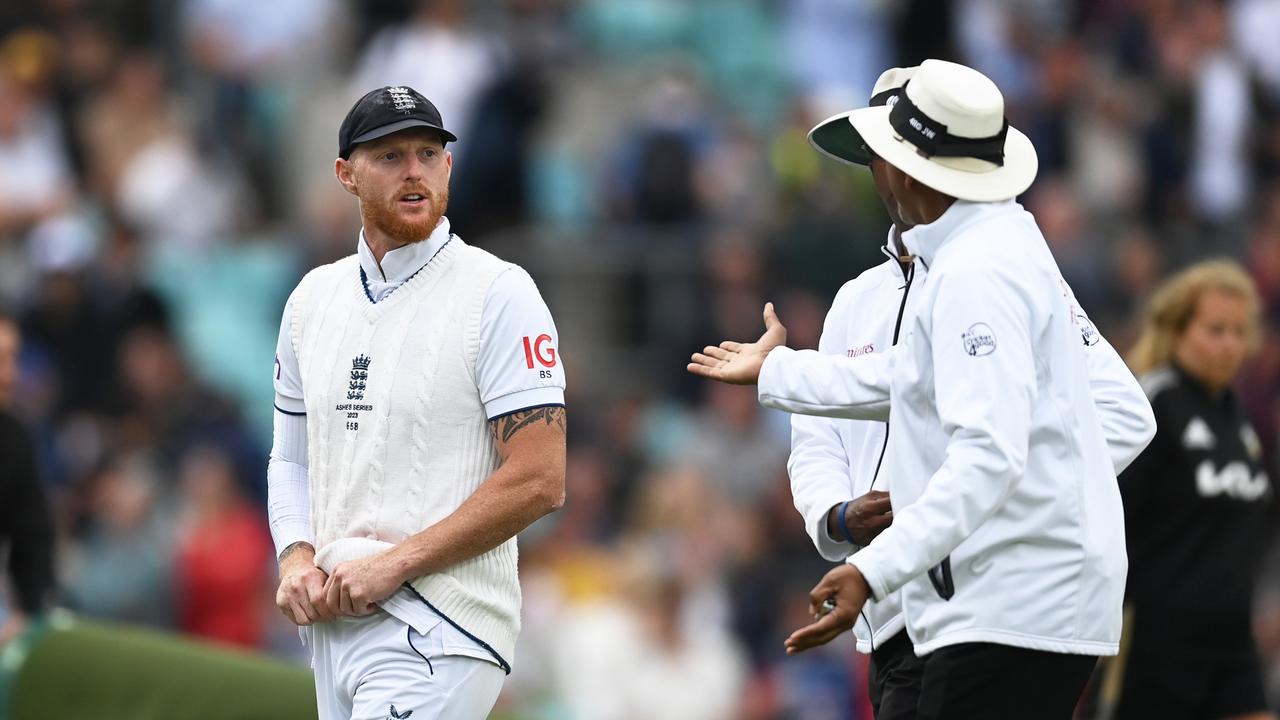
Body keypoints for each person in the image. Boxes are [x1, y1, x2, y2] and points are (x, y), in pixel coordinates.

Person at [688, 59, 1156, 719]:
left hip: (998, 596)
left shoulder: (975, 273)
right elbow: (909, 379)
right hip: (962, 598)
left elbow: (998, 454)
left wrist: (977, 512)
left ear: (902, 167)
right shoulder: (990, 254)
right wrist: (777, 372)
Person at [267, 86, 567, 720]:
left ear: (448, 167)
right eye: (390, 156)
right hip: (332, 631)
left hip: (443, 626)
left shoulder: (500, 293)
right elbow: (290, 461)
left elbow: (541, 478)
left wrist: (394, 565)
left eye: (428, 154)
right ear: (346, 175)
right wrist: (295, 557)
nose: (413, 172)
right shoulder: (310, 302)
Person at [1094, 261, 1275, 720]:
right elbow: (1104, 512)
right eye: (1215, 330)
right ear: (1176, 331)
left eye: (1239, 331)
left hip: (1232, 641)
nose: (1231, 345)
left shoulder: (1237, 417)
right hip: (1156, 641)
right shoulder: (1153, 406)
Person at [0, 310, 56, 645]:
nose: (11, 374)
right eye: (1, 360)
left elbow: (33, 537)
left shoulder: (14, 438)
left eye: (13, 359)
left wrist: (33, 617)